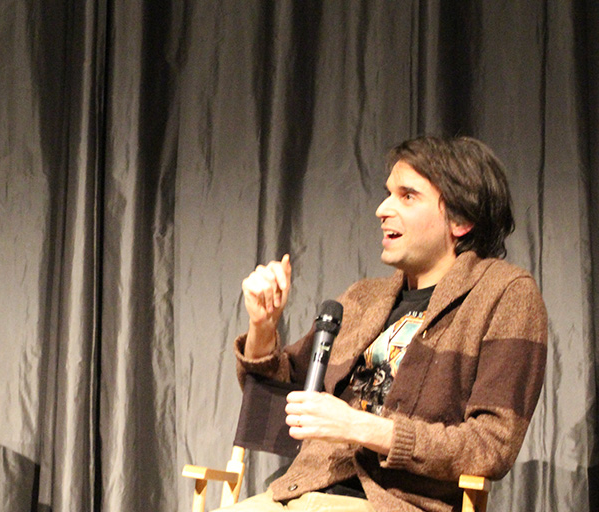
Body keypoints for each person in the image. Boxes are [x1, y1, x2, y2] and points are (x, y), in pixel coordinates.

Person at [223, 136, 547, 511]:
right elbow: (272, 402)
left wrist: (360, 427)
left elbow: (491, 446)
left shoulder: (504, 294)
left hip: (395, 504)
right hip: (299, 493)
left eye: (407, 196)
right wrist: (263, 325)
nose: (381, 209)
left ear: (460, 220)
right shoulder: (363, 298)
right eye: (387, 193)